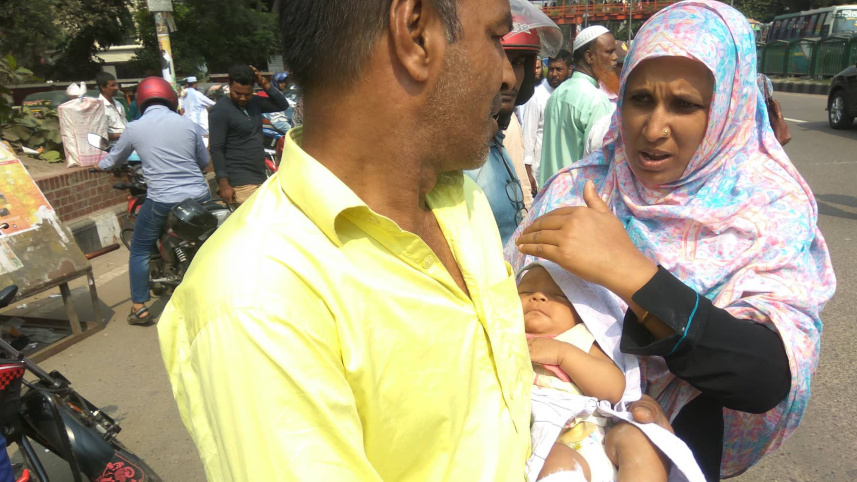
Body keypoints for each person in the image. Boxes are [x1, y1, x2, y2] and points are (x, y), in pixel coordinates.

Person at [158, 0, 600, 479]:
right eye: (495, 38)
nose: (508, 76)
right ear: (414, 33)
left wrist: (609, 436)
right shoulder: (259, 298)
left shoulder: (462, 203)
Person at [508, 1, 836, 480]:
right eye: (640, 99)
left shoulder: (768, 207)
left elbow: (764, 377)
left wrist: (632, 274)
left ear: (726, 108)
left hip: (680, 445)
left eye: (684, 105)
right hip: (542, 438)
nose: (653, 128)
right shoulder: (577, 188)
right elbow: (501, 300)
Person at [97, 77, 212, 325]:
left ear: (141, 100)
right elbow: (203, 162)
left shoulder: (135, 128)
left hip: (163, 199)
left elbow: (111, 160)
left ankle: (139, 307)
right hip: (200, 195)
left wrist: (99, 164)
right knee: (213, 241)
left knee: (139, 248)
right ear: (170, 97)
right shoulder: (188, 124)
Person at [519, 265, 629, 482]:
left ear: (581, 311)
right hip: (523, 441)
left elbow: (614, 389)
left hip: (579, 442)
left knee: (559, 460)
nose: (539, 297)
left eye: (558, 295)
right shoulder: (503, 335)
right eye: (525, 292)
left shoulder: (581, 340)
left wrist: (564, 354)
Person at [465, 21, 561, 245]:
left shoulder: (498, 136)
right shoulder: (462, 155)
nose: (508, 77)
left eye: (518, 62)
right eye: (497, 57)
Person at [538, 25, 616, 186]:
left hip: (549, 198)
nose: (615, 57)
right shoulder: (596, 100)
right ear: (589, 57)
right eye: (609, 52)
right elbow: (599, 166)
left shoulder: (557, 93)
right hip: (575, 201)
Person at [208, 64, 289, 206]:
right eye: (237, 93)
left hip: (260, 176)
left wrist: (263, 82)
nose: (243, 98)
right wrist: (224, 183)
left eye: (248, 93)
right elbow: (216, 148)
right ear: (229, 85)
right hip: (240, 183)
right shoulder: (220, 111)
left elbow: (282, 104)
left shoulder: (254, 103)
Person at [520, 48, 572, 194]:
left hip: (565, 171)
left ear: (570, 70)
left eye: (559, 69)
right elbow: (528, 135)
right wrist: (527, 173)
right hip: (541, 171)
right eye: (551, 69)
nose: (554, 74)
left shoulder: (571, 94)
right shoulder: (537, 96)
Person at [95, 71, 127, 142]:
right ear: (103, 87)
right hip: (113, 148)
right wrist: (125, 134)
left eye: (116, 85)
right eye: (113, 85)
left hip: (127, 144)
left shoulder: (118, 104)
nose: (116, 88)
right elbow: (101, 135)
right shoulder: (98, 107)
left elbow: (124, 123)